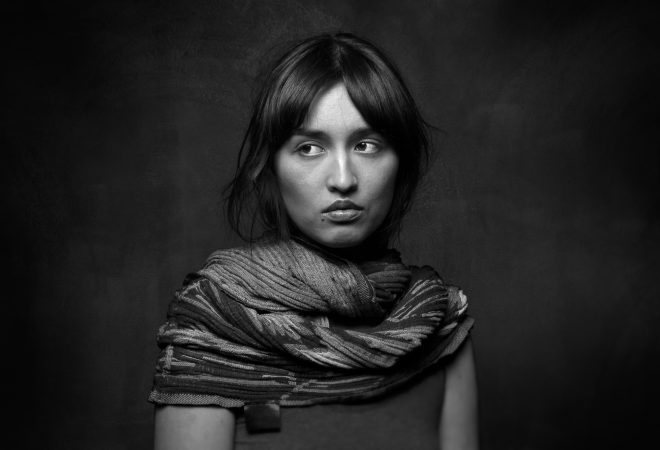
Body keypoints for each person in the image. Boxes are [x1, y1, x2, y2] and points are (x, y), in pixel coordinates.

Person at [150, 32, 478, 450]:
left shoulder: (439, 325)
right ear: (271, 166)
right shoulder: (214, 323)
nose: (343, 179)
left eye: (366, 145)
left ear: (401, 162)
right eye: (309, 148)